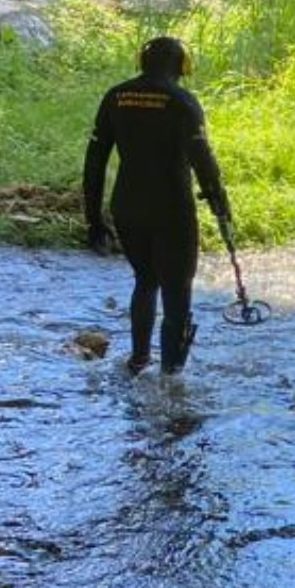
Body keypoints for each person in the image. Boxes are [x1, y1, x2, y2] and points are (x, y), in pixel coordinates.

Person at [83, 35, 233, 375]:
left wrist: (93, 218)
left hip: (127, 207)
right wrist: (219, 202)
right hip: (172, 209)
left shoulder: (116, 96)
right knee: (177, 292)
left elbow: (94, 161)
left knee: (145, 279)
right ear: (183, 66)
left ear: (142, 62)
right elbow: (202, 159)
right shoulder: (182, 101)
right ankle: (172, 376)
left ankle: (138, 359)